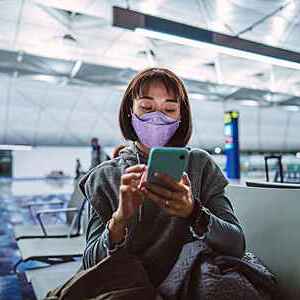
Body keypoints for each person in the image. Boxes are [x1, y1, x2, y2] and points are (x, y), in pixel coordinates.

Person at [79, 68, 276, 299]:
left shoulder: (200, 165)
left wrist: (194, 212)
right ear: (129, 112)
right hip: (130, 285)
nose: (157, 117)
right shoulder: (103, 178)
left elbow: (235, 245)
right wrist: (120, 219)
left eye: (169, 109)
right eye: (147, 107)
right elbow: (90, 264)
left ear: (181, 117)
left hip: (192, 282)